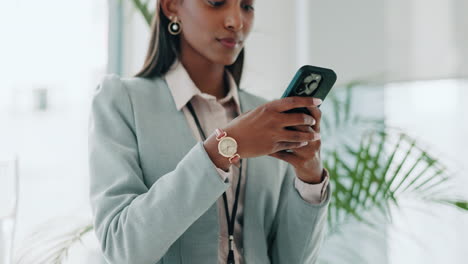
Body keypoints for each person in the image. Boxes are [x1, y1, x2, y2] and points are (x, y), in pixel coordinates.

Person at [88, 0, 331, 263]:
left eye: (247, 6)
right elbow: (122, 247)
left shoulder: (266, 117)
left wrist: (310, 180)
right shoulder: (123, 101)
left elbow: (290, 259)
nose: (236, 22)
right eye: (216, 2)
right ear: (171, 6)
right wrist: (224, 148)